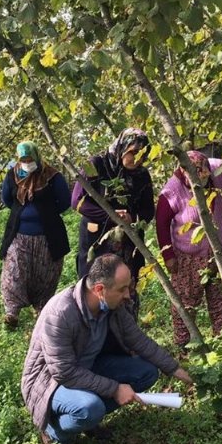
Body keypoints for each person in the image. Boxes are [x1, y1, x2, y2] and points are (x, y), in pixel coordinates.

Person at [21, 253, 193, 444]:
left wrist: (175, 369)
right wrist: (114, 389)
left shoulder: (112, 305)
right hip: (50, 382)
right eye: (122, 289)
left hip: (88, 367)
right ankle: (53, 431)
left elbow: (137, 339)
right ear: (100, 290)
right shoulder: (60, 313)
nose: (128, 294)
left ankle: (89, 420)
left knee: (147, 372)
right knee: (90, 408)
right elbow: (64, 372)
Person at [70, 128, 154, 317]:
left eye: (142, 155)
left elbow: (148, 210)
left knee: (125, 291)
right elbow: (77, 201)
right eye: (133, 152)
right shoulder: (97, 165)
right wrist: (109, 215)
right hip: (98, 239)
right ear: (123, 148)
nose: (137, 159)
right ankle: (93, 336)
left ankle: (125, 338)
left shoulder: (142, 175)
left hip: (128, 242)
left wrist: (133, 218)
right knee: (96, 287)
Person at [156, 150, 222, 347]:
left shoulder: (219, 170)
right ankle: (185, 348)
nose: (203, 181)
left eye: (205, 176)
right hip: (188, 257)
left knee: (220, 301)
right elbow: (161, 224)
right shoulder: (172, 191)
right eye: (196, 178)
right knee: (186, 303)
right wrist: (168, 255)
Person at [0, 141, 70, 327]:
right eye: (23, 159)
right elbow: (7, 199)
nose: (27, 162)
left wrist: (46, 212)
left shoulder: (52, 176)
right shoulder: (13, 174)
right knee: (13, 271)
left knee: (45, 274)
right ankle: (12, 312)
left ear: (37, 156)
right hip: (19, 235)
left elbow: (64, 202)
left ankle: (41, 309)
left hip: (47, 237)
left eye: (30, 159)